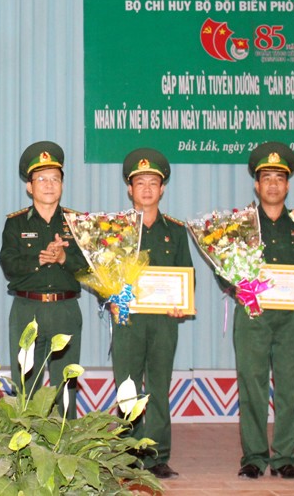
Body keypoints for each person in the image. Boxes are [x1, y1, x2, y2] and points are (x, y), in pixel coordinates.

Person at [235, 142, 294, 480]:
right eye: (266, 178)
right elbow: (223, 267)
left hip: (290, 317)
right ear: (256, 185)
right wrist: (239, 284)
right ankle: (254, 457)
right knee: (252, 386)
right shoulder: (241, 226)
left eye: (279, 178)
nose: (273, 185)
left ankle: (285, 457)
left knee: (287, 386)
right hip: (252, 315)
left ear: (287, 185)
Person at [111, 148, 192, 479]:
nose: (146, 189)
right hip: (128, 319)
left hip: (163, 321)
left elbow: (187, 275)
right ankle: (129, 453)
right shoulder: (115, 231)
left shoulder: (176, 230)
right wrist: (111, 297)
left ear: (162, 189)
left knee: (159, 386)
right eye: (140, 183)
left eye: (153, 183)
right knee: (128, 387)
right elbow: (103, 272)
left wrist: (182, 301)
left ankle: (157, 455)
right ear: (130, 189)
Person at [0, 141, 87, 416]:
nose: (49, 185)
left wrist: (63, 258)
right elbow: (8, 264)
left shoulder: (77, 222)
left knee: (66, 383)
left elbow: (89, 268)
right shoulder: (15, 223)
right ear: (29, 186)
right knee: (26, 383)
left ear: (62, 184)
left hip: (65, 309)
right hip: (27, 309)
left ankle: (66, 438)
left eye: (55, 179)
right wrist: (38, 260)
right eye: (41, 179)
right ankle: (27, 440)